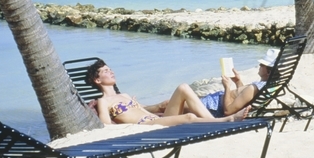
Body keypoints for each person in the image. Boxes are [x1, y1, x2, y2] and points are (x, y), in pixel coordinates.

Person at [85, 60, 249, 126]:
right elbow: (106, 125)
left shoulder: (126, 95)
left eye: (110, 69)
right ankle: (225, 120)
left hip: (157, 119)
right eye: (105, 71)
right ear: (97, 80)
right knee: (189, 117)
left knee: (183, 87)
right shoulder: (103, 101)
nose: (111, 72)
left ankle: (213, 121)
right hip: (145, 126)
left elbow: (145, 109)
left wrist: (156, 105)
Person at [199, 48, 278, 116]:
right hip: (214, 102)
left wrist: (227, 87)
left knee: (190, 97)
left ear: (269, 72)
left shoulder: (254, 88)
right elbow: (243, 97)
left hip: (212, 106)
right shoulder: (265, 86)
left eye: (262, 64)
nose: (259, 65)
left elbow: (228, 111)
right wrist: (237, 81)